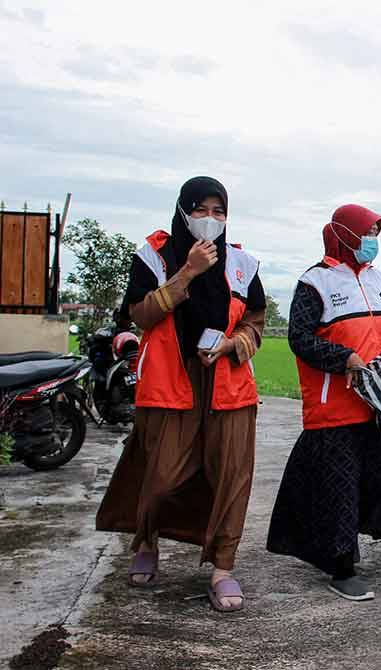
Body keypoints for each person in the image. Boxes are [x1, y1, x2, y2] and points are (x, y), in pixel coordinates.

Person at [96, 176, 265, 612]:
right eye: (200, 210)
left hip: (227, 382)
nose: (210, 219)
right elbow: (141, 315)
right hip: (170, 382)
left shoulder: (243, 264)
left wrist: (232, 345)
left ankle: (223, 568)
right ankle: (147, 540)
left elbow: (254, 322)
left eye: (218, 211)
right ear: (183, 211)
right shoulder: (154, 257)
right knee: (160, 473)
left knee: (231, 475)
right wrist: (188, 271)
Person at [266, 204, 381, 602]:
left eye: (376, 233)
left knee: (380, 481)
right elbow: (299, 338)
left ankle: (337, 544)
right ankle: (341, 567)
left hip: (377, 403)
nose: (372, 241)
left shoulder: (378, 279)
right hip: (335, 404)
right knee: (340, 489)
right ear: (344, 234)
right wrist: (343, 358)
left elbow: (379, 330)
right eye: (366, 233)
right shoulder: (316, 281)